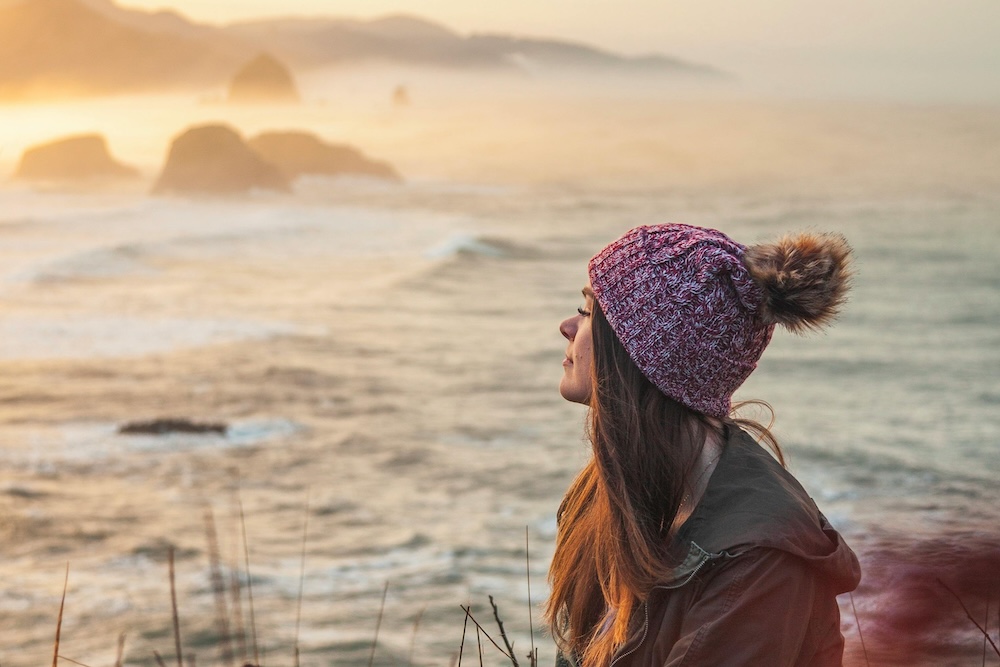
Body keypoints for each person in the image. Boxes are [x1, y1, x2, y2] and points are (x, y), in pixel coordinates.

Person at [547, 224, 862, 666]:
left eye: (589, 310)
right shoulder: (613, 488)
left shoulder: (759, 560)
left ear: (642, 354)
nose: (567, 326)